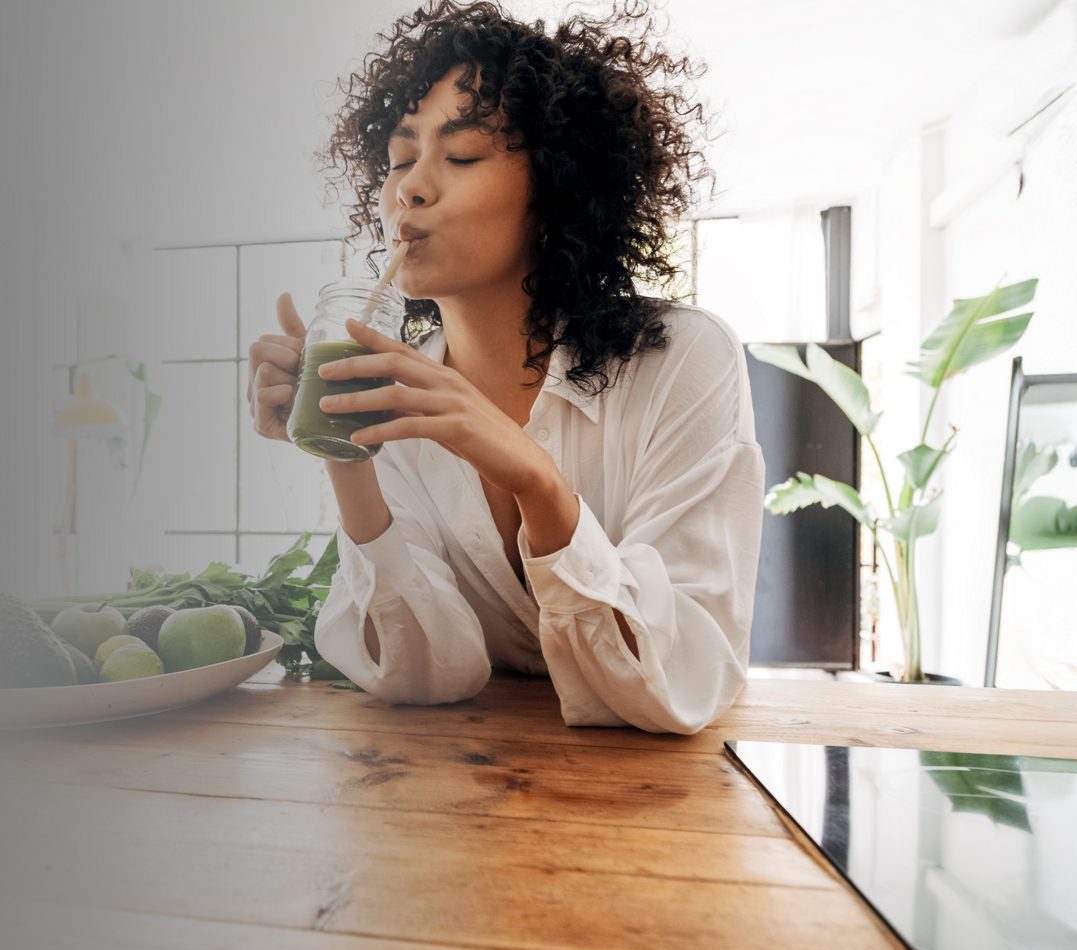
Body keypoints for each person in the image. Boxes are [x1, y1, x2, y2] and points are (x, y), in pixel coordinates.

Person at [247, 0, 764, 734]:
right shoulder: (392, 389)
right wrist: (344, 449)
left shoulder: (682, 361)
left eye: (459, 156)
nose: (410, 188)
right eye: (400, 158)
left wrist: (539, 482)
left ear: (554, 187)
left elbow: (686, 679)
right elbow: (422, 674)